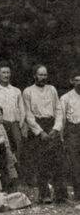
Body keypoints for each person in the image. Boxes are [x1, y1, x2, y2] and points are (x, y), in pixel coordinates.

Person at [22, 65, 68, 203]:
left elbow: (58, 110)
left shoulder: (52, 89)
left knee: (58, 162)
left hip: (51, 125)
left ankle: (61, 196)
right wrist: (39, 132)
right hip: (37, 127)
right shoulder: (28, 92)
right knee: (41, 163)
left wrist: (56, 128)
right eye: (40, 75)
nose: (43, 78)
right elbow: (28, 115)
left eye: (45, 75)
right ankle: (44, 195)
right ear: (34, 76)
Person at [62, 70, 80, 201]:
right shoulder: (66, 98)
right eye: (77, 80)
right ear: (72, 81)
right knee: (74, 163)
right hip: (72, 130)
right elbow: (62, 119)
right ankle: (78, 192)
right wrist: (62, 136)